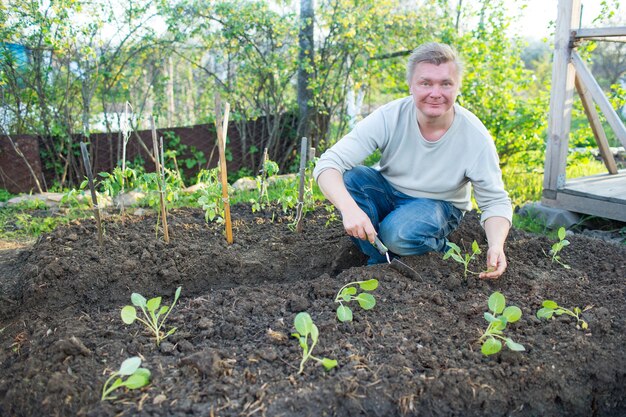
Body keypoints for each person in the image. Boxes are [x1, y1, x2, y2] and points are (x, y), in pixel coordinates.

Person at [313, 42, 512, 279]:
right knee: (351, 179)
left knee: (398, 233)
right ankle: (378, 259)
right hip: (389, 191)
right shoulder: (390, 116)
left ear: (458, 87)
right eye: (425, 83)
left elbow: (495, 202)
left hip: (438, 204)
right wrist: (349, 209)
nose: (435, 93)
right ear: (411, 86)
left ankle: (442, 252)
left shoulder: (475, 137)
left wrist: (496, 245)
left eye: (445, 84)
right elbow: (328, 164)